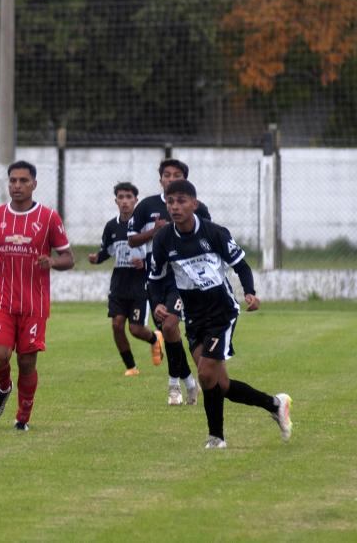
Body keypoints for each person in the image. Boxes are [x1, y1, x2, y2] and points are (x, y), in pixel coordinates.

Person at [149, 180, 292, 449]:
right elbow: (155, 278)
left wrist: (249, 291)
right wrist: (157, 302)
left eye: (181, 201)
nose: (175, 206)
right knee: (219, 383)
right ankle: (274, 403)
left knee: (205, 373)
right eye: (171, 202)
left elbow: (241, 265)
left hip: (221, 312)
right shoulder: (163, 239)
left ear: (194, 203)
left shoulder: (215, 234)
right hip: (193, 315)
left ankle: (216, 438)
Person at [0, 161, 75, 431]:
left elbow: (69, 258)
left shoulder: (48, 217)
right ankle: (4, 387)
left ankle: (22, 418)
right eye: (12, 181)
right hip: (2, 300)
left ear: (34, 184)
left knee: (26, 362)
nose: (17, 186)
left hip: (34, 303)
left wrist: (52, 263)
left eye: (22, 181)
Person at [128, 158, 210, 406]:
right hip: (156, 278)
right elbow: (131, 240)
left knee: (171, 325)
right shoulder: (147, 206)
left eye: (177, 175)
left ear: (185, 179)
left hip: (182, 279)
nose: (171, 179)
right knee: (168, 331)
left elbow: (209, 239)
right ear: (160, 179)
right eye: (167, 175)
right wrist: (156, 231)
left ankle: (173, 386)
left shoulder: (198, 207)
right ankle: (187, 382)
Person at [88, 182, 164, 376]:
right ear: (116, 201)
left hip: (139, 282)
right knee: (117, 325)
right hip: (119, 282)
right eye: (120, 197)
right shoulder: (111, 226)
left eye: (128, 197)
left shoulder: (144, 224)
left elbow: (157, 252)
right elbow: (107, 250)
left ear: (136, 200)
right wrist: (97, 259)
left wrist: (145, 264)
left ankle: (155, 339)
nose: (124, 201)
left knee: (136, 329)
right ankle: (131, 367)